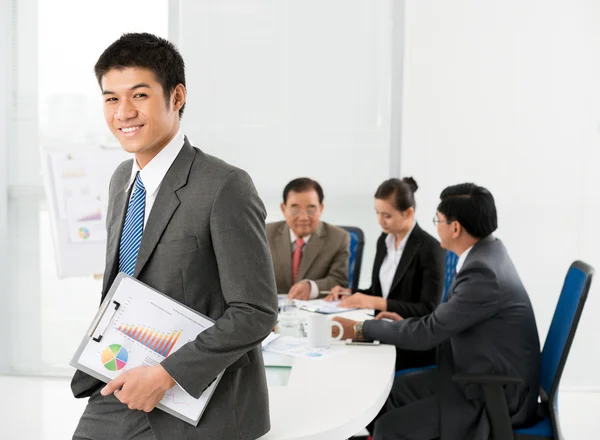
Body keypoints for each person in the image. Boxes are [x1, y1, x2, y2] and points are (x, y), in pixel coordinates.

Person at [70, 33, 278, 440]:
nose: (123, 112)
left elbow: (256, 311)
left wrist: (167, 375)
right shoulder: (120, 181)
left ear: (177, 96)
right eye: (111, 99)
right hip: (120, 382)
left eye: (139, 95)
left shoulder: (224, 186)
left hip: (198, 400)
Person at [333, 183, 541, 440]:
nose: (436, 225)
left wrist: (359, 329)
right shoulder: (487, 253)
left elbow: (429, 332)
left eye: (438, 219)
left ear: (455, 228)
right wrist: (406, 321)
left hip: (493, 393)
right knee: (390, 393)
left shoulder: (482, 273)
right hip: (474, 372)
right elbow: (443, 320)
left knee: (390, 427)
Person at [327, 177, 445, 370]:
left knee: (350, 362)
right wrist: (351, 292)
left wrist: (376, 303)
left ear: (408, 213)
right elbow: (379, 291)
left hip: (409, 340)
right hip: (382, 330)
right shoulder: (384, 240)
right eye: (377, 213)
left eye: (387, 215)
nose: (380, 221)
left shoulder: (430, 248)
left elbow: (428, 310)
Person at [266, 178, 350, 300]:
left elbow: (339, 281)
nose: (303, 217)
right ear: (283, 209)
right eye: (295, 209)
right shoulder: (265, 233)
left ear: (321, 209)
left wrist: (312, 287)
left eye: (311, 209)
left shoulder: (339, 238)